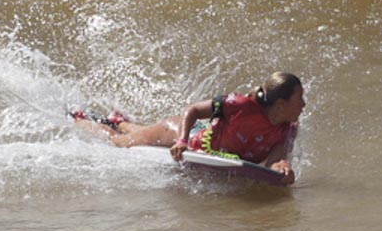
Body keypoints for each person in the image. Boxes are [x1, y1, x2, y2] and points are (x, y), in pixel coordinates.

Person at [73, 72, 305, 184]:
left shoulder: (287, 129)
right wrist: (182, 140)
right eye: (299, 99)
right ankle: (81, 118)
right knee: (119, 142)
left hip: (202, 139)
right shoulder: (241, 105)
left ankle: (120, 120)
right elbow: (193, 110)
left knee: (140, 131)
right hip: (186, 134)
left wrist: (282, 169)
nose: (304, 105)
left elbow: (275, 160)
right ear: (281, 104)